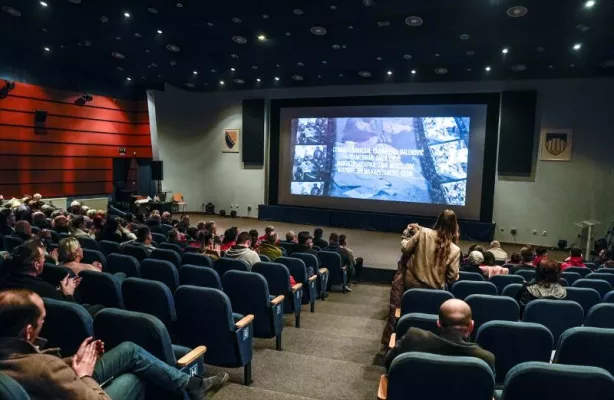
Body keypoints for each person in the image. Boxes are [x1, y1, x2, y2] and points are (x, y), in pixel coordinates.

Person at [0, 289, 228, 399]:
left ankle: (191, 385)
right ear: (28, 331)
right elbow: (46, 372)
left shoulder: (14, 356)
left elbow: (40, 371)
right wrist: (84, 374)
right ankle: (191, 387)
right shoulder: (43, 368)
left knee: (130, 350)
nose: (44, 323)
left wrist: (74, 361)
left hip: (58, 383)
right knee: (134, 377)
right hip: (72, 387)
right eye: (42, 320)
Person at [381, 209, 461, 346]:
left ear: (438, 220)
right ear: (454, 226)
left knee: (405, 313)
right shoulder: (455, 250)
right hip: (436, 292)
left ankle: (398, 341)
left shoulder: (423, 233)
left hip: (412, 286)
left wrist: (405, 237)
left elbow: (405, 249)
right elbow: (452, 277)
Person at [384, 299, 495, 373]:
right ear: (471, 326)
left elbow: (389, 364)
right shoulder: (485, 359)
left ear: (438, 324)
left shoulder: (413, 338)